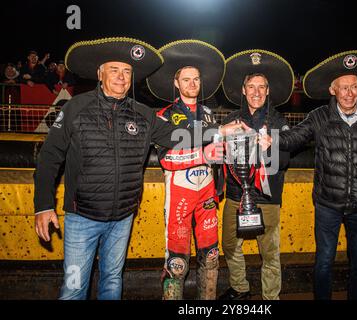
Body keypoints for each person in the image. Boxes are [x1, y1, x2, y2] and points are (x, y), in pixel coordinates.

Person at [34, 37, 242, 300]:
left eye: (127, 71)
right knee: (74, 287)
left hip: (122, 217)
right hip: (81, 217)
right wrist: (43, 204)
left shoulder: (143, 113)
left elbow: (181, 133)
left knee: (112, 281)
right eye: (114, 70)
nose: (121, 77)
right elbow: (49, 156)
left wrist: (219, 129)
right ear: (100, 73)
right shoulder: (76, 107)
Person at [260, 50, 357, 300]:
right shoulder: (319, 117)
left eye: (354, 87)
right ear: (333, 90)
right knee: (324, 263)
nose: (349, 93)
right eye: (343, 87)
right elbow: (295, 138)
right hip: (328, 206)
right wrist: (273, 139)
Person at [146, 40, 228, 300]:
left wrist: (219, 185)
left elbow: (219, 153)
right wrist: (202, 154)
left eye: (196, 79)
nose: (192, 84)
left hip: (207, 196)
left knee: (211, 257)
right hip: (179, 194)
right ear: (176, 83)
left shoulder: (209, 114)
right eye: (186, 79)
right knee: (177, 262)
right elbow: (166, 159)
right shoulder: (165, 115)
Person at [219, 50, 293, 300]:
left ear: (268, 91)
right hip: (235, 195)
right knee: (229, 245)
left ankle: (271, 297)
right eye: (251, 86)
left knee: (270, 253)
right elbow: (215, 153)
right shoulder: (230, 120)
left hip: (267, 197)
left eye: (262, 87)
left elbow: (284, 161)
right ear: (243, 90)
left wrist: (270, 146)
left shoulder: (279, 122)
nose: (257, 92)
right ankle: (240, 287)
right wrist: (221, 135)